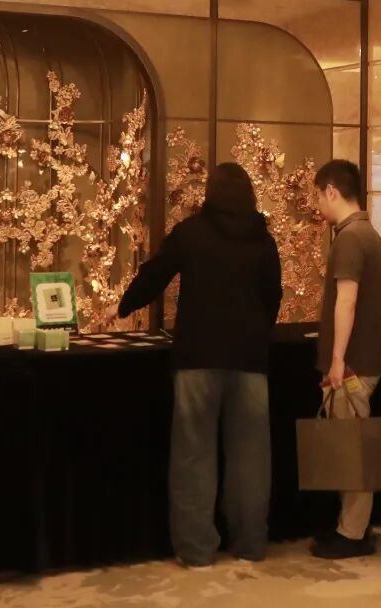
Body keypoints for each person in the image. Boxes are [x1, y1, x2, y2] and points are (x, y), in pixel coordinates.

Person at [106, 162, 283, 568]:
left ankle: (197, 548)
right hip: (250, 360)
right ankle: (250, 543)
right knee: (251, 456)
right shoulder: (263, 240)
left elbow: (155, 274)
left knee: (193, 455)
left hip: (197, 358)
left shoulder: (191, 233)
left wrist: (124, 306)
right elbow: (272, 295)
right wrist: (257, 331)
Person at [309, 159, 381, 560]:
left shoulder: (350, 238)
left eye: (318, 195)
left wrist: (337, 359)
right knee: (351, 446)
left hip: (353, 365)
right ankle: (353, 525)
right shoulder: (367, 233)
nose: (317, 204)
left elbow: (347, 301)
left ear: (332, 192)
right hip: (362, 360)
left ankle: (353, 533)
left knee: (352, 450)